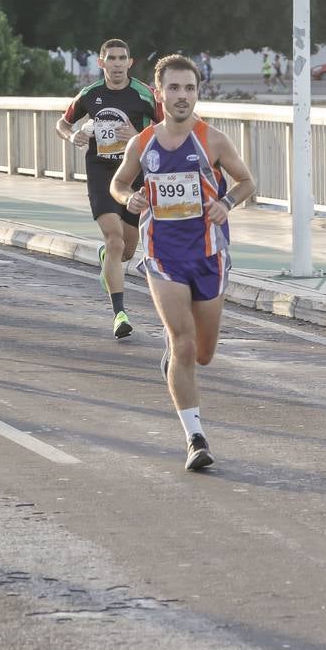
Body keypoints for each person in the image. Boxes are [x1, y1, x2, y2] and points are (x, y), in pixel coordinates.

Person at [111, 55, 255, 471]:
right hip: (163, 254)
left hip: (208, 254)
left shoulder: (213, 140)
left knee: (203, 353)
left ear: (197, 92)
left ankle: (177, 361)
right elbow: (119, 182)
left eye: (189, 88)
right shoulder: (144, 142)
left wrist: (226, 203)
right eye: (174, 88)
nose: (182, 96)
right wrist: (129, 198)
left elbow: (246, 181)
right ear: (159, 93)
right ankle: (195, 437)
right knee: (183, 341)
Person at [55, 38, 162, 338]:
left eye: (122, 58)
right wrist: (72, 135)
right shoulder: (90, 95)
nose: (116, 64)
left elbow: (168, 133)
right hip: (101, 176)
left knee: (126, 250)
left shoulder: (146, 95)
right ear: (101, 63)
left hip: (134, 179)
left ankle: (107, 258)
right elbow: (62, 123)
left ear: (130, 62)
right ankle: (120, 314)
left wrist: (138, 134)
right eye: (111, 58)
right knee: (115, 241)